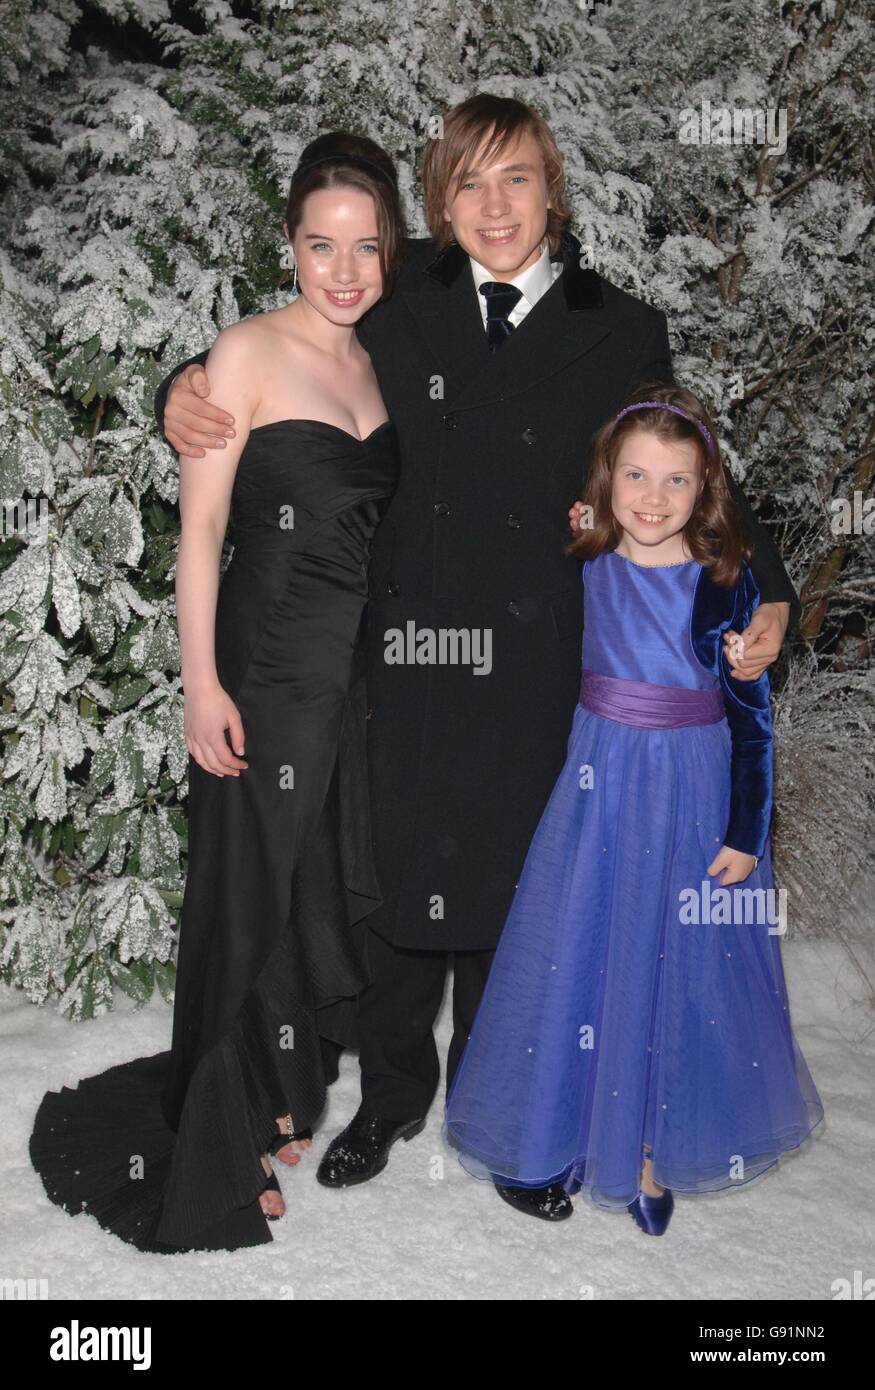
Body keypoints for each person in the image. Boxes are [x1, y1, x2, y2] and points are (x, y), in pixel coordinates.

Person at [153, 94, 800, 1222]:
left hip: (544, 664)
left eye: (515, 180)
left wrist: (774, 593)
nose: (492, 207)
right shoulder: (402, 306)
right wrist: (183, 390)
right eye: (467, 184)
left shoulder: (619, 326)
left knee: (522, 898)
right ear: (441, 205)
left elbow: (694, 465)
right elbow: (293, 345)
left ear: (552, 190)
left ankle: (518, 1114)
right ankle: (390, 1097)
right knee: (401, 881)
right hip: (400, 657)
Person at [29, 132, 403, 1252]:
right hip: (261, 666)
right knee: (244, 903)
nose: (342, 270)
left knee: (301, 899)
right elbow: (196, 534)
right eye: (319, 244)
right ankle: (216, 1134)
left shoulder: (379, 360)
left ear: (389, 251)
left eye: (365, 247)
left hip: (349, 685)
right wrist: (199, 682)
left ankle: (276, 1089)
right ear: (287, 241)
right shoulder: (238, 353)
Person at [444, 383, 824, 1235]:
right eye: (635, 477)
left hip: (690, 786)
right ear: (604, 483)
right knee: (585, 946)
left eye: (676, 481)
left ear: (707, 489)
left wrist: (745, 832)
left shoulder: (722, 580)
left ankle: (652, 1146)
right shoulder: (585, 549)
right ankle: (570, 1130)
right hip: (598, 780)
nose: (653, 499)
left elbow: (751, 723)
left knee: (674, 963)